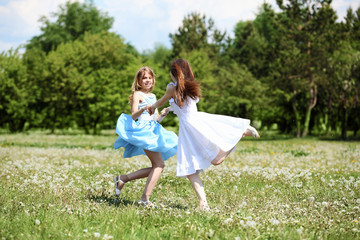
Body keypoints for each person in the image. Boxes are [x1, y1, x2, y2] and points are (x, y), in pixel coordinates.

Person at [149, 59, 260, 210]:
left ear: (173, 73)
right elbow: (178, 105)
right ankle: (203, 203)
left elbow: (162, 101)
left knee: (204, 163)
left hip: (192, 128)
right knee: (194, 168)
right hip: (194, 125)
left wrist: (152, 106)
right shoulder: (188, 87)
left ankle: (241, 133)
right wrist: (169, 110)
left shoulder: (171, 87)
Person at [113, 66, 177, 207]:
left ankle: (123, 179)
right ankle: (144, 199)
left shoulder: (153, 96)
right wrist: (142, 108)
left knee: (157, 166)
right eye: (144, 78)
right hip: (144, 131)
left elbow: (154, 119)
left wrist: (162, 115)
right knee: (159, 165)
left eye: (150, 78)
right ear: (139, 81)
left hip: (154, 129)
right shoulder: (138, 94)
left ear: (153, 80)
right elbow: (134, 115)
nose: (147, 80)